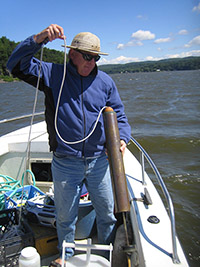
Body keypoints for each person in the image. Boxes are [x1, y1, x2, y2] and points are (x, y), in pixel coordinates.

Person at [7, 24, 131, 266]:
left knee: (106, 214)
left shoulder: (105, 82)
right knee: (65, 217)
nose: (92, 62)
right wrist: (38, 39)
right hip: (66, 162)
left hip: (99, 161)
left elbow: (119, 115)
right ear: (72, 54)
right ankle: (66, 257)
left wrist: (122, 138)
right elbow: (15, 65)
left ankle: (104, 254)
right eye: (87, 56)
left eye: (96, 57)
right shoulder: (54, 75)